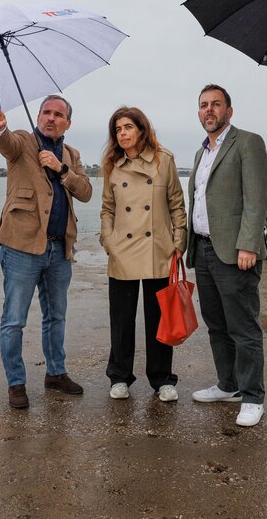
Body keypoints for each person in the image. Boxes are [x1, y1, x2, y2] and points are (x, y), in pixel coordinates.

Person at [0, 95, 92, 408]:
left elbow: (85, 192)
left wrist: (61, 169)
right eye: (46, 112)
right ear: (38, 116)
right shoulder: (23, 142)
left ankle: (55, 373)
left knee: (56, 317)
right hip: (22, 247)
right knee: (14, 320)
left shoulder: (71, 154)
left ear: (67, 123)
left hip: (60, 249)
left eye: (58, 114)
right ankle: (16, 383)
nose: (50, 118)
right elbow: (6, 144)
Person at [186, 84, 267, 427]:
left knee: (243, 326)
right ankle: (228, 384)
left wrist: (248, 244)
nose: (209, 110)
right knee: (216, 324)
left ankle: (252, 396)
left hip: (236, 251)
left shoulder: (248, 142)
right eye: (204, 105)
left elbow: (256, 198)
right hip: (204, 248)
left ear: (229, 111)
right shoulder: (201, 152)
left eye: (216, 104)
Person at [100, 106, 187, 402]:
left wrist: (178, 242)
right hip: (122, 251)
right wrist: (109, 241)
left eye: (128, 127)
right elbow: (108, 208)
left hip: (157, 249)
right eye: (117, 129)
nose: (122, 134)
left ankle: (162, 379)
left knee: (159, 319)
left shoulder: (164, 160)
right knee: (121, 320)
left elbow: (176, 204)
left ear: (141, 129)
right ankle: (119, 376)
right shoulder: (112, 164)